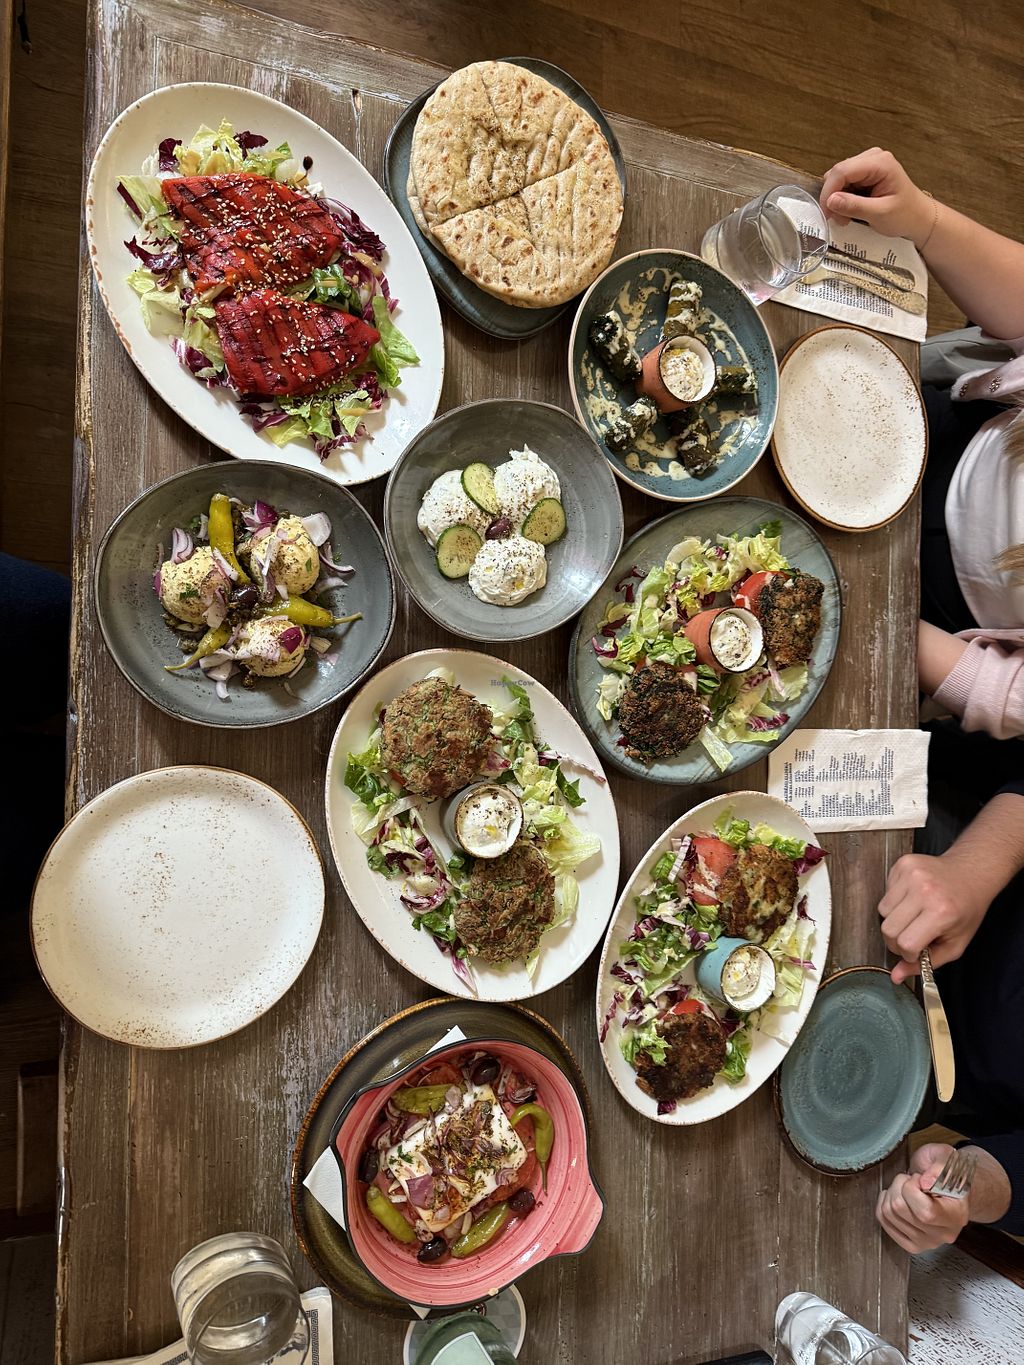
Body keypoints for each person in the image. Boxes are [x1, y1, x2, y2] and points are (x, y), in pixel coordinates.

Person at [817, 149, 1024, 1254]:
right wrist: (932, 222)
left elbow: (1002, 1178)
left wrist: (968, 1186)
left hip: (929, 1033)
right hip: (931, 471)